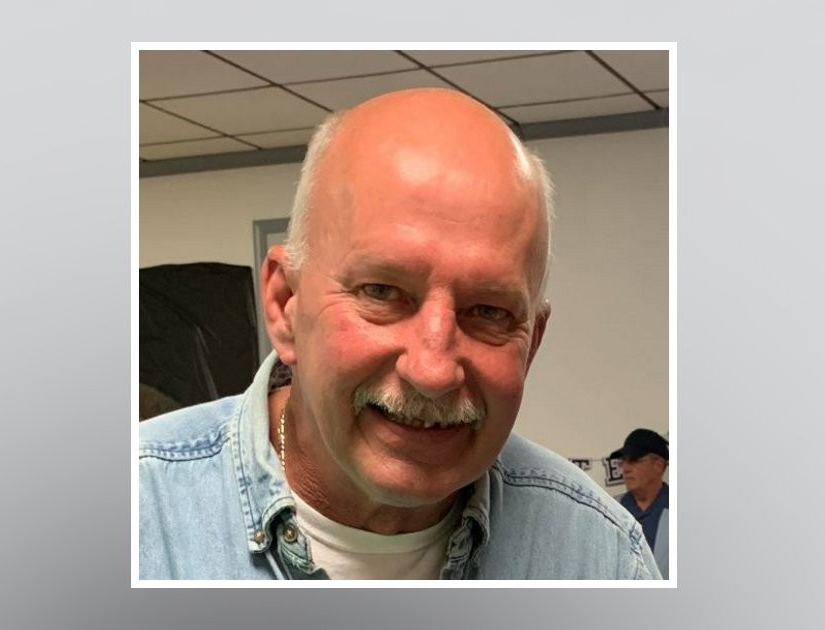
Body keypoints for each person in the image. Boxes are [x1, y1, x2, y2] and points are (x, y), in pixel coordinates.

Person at [139, 88, 661, 580]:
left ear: (532, 345)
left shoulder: (601, 558)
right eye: (383, 292)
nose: (433, 372)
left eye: (489, 311)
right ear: (284, 305)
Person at [610, 428, 670, 578]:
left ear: (658, 465)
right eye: (623, 461)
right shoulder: (611, 509)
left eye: (634, 460)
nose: (625, 469)